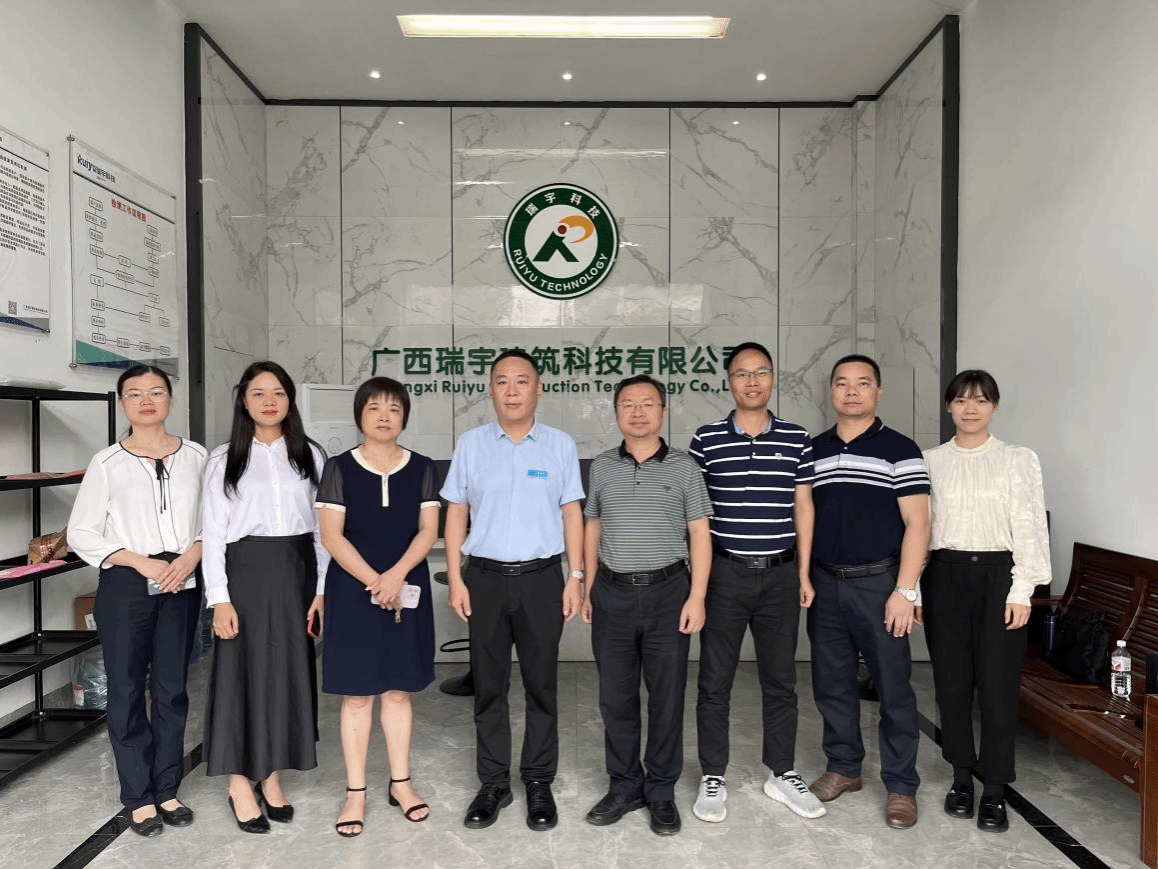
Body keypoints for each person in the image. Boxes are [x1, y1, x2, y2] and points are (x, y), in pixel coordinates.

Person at [441, 349, 584, 832]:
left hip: (542, 579)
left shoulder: (560, 445)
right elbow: (456, 511)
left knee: (542, 685)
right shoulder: (471, 444)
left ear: (538, 388)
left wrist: (575, 576)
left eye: (522, 381)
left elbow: (571, 513)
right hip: (483, 579)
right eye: (501, 381)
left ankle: (539, 780)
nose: (512, 390)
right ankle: (494, 784)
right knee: (489, 686)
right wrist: (456, 577)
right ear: (491, 390)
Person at [688, 342, 826, 823]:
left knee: (781, 680)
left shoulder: (796, 437)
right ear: (729, 381)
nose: (752, 381)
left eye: (761, 372)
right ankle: (713, 774)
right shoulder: (706, 439)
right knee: (714, 681)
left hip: (781, 575)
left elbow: (803, 505)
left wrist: (803, 572)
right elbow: (696, 515)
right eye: (742, 373)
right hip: (724, 574)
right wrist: (699, 584)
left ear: (772, 379)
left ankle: (781, 772)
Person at [67, 364, 207, 837]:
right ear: (122, 403)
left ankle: (167, 788)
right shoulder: (107, 463)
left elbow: (213, 518)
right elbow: (82, 532)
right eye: (135, 394)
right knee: (127, 690)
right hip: (128, 581)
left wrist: (191, 555)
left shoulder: (196, 456)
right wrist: (140, 562)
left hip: (183, 578)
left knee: (171, 688)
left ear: (170, 399)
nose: (147, 401)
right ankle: (138, 796)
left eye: (156, 392)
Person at [581, 374, 713, 837]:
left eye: (647, 404)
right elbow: (593, 526)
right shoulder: (602, 466)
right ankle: (624, 786)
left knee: (666, 697)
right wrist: (588, 588)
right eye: (628, 405)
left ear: (662, 411)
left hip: (668, 593)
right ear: (616, 412)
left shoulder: (684, 468)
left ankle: (660, 790)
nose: (637, 413)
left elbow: (699, 533)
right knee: (615, 698)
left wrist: (697, 595)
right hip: (612, 593)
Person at [200, 361, 329, 834]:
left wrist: (321, 589)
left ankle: (271, 776)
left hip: (297, 572)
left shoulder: (310, 454)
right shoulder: (225, 458)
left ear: (290, 400)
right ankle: (239, 781)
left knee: (287, 674)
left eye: (278, 392)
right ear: (244, 401)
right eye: (258, 393)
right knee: (240, 674)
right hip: (245, 574)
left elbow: (324, 528)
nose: (269, 401)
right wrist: (220, 598)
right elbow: (213, 533)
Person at [921, 370, 1050, 833]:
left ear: (994, 405)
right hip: (944, 575)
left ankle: (995, 787)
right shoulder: (930, 461)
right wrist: (912, 587)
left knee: (998, 687)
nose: (970, 408)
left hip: (1001, 577)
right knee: (951, 685)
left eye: (980, 400)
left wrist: (1022, 589)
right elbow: (921, 528)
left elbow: (1030, 525)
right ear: (948, 407)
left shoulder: (1018, 458)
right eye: (960, 400)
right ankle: (961, 778)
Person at [806, 354, 930, 829]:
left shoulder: (900, 449)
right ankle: (844, 767)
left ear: (878, 392)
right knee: (831, 682)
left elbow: (918, 524)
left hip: (880, 585)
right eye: (842, 383)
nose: (852, 391)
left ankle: (901, 785)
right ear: (832, 391)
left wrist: (906, 590)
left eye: (862, 383)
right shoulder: (814, 450)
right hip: (825, 583)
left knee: (893, 687)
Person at [316, 377, 440, 837]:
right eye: (374, 408)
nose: (384, 416)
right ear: (359, 415)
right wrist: (375, 581)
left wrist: (395, 577)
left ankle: (401, 784)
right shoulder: (338, 468)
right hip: (353, 591)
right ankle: (356, 792)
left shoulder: (422, 467)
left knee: (398, 691)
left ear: (404, 416)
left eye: (393, 408)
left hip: (405, 586)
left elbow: (428, 531)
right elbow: (332, 537)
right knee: (356, 694)